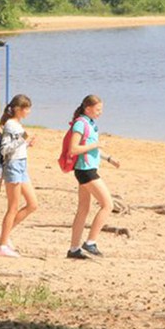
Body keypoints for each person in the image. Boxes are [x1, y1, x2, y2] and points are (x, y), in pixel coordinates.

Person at [65, 94, 120, 260]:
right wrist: (95, 144)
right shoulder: (80, 124)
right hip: (85, 170)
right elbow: (73, 149)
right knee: (107, 204)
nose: (100, 113)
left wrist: (109, 158)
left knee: (83, 209)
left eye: (101, 110)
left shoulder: (89, 123)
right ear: (87, 108)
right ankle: (90, 242)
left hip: (87, 168)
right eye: (98, 109)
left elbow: (92, 149)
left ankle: (73, 249)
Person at [0, 94, 37, 257]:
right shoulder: (10, 125)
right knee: (13, 207)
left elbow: (17, 147)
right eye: (27, 109)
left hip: (21, 165)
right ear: (18, 109)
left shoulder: (16, 124)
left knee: (33, 204)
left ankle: (4, 234)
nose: (29, 112)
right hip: (13, 166)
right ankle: (2, 245)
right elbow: (5, 149)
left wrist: (27, 144)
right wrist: (23, 140)